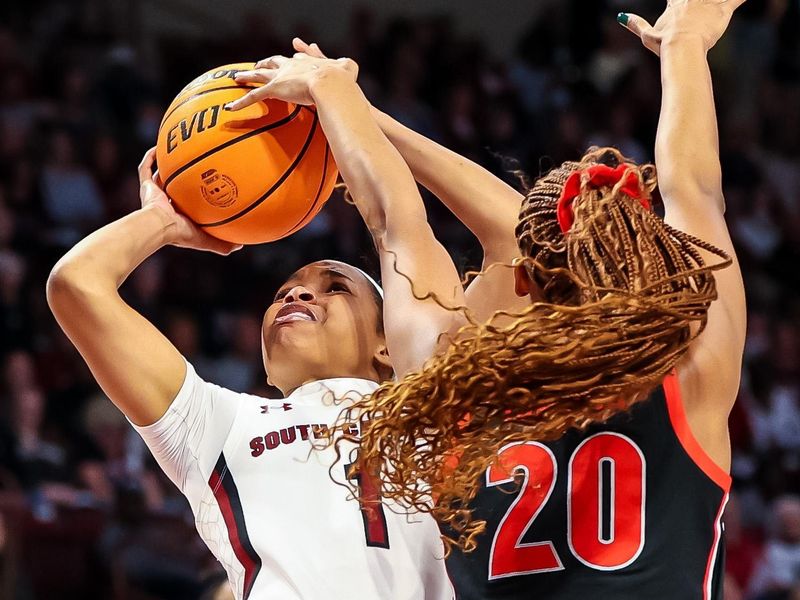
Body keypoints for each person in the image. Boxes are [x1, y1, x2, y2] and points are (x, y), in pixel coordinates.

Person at [47, 32, 528, 600]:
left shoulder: (432, 395)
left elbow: (517, 235)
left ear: (386, 342)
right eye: (284, 292)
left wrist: (357, 111)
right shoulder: (217, 423)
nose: (297, 297)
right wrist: (165, 220)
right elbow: (76, 286)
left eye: (334, 288)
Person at [329, 1, 747, 598]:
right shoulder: (692, 372)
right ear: (647, 256)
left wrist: (346, 104)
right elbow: (695, 190)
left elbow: (394, 224)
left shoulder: (452, 397)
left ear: (524, 282)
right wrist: (684, 46)